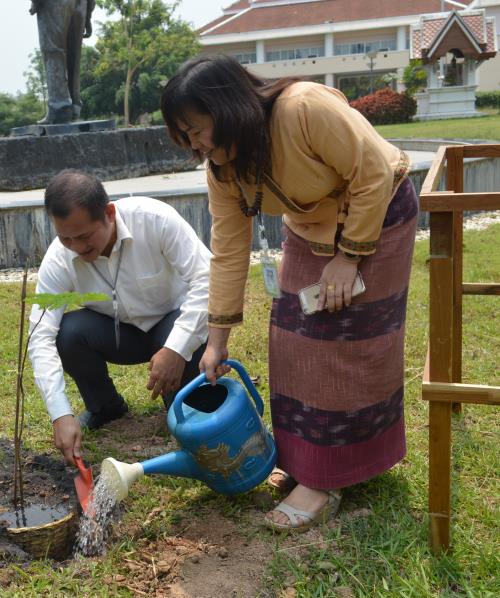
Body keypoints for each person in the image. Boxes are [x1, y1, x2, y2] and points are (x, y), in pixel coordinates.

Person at [160, 56, 417, 531]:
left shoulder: (304, 108)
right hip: (311, 227)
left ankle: (326, 479)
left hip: (378, 213)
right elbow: (228, 252)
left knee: (344, 342)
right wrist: (216, 341)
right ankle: (305, 460)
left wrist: (349, 257)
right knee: (292, 339)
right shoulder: (223, 169)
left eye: (196, 131)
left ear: (227, 107)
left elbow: (374, 175)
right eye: (185, 137)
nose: (195, 146)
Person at [28, 169, 212, 465]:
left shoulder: (154, 219)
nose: (77, 248)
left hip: (171, 325)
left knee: (184, 416)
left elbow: (207, 281)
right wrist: (60, 414)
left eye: (84, 236)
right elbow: (40, 334)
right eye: (66, 238)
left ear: (109, 213)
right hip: (118, 335)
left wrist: (177, 348)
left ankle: (179, 405)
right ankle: (105, 407)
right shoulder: (58, 258)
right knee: (68, 332)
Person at [29, 0, 95, 124]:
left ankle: (59, 107)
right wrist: (88, 12)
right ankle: (74, 106)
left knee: (53, 52)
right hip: (82, 3)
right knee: (74, 52)